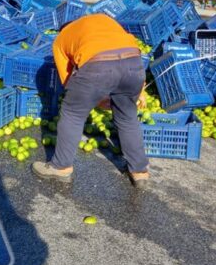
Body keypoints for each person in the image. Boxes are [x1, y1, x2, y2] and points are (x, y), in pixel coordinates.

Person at [32, 13, 149, 186]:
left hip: (98, 64)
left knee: (72, 112)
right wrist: (140, 92)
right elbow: (123, 52)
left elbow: (68, 82)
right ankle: (139, 171)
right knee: (127, 116)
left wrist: (95, 98)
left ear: (63, 29)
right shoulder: (103, 20)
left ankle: (61, 166)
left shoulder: (61, 39)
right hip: (134, 63)